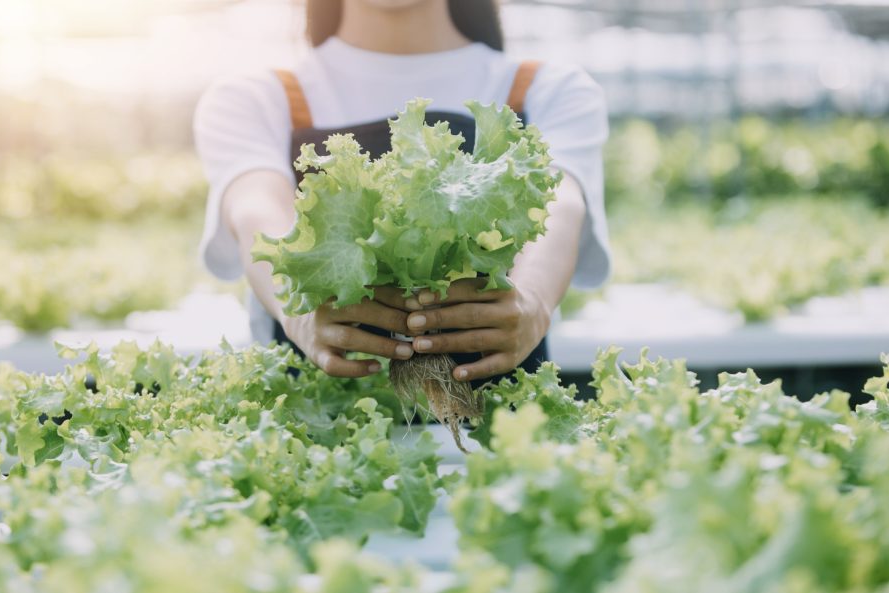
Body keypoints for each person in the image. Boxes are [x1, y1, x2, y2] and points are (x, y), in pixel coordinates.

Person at [194, 0, 610, 385]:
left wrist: (532, 304)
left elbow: (561, 206)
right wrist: (299, 312)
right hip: (314, 443)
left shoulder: (548, 90)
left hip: (493, 440)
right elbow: (255, 210)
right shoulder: (254, 99)